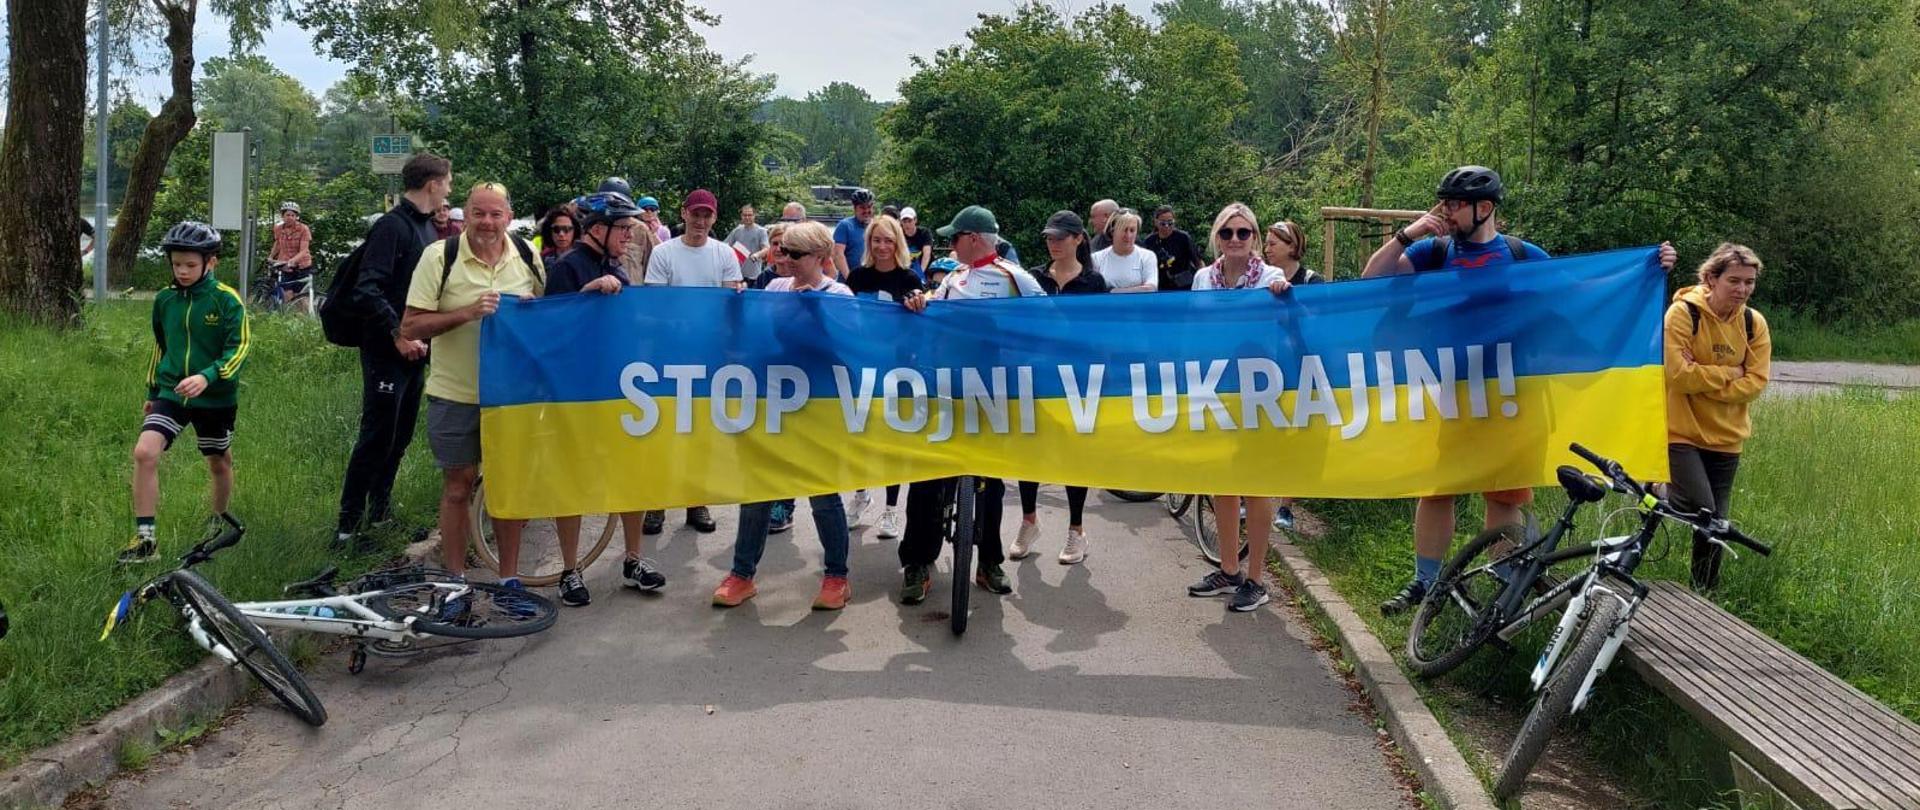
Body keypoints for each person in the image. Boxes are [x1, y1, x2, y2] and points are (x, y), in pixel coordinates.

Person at [1364, 165, 1677, 615]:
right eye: (1444, 203)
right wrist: (1406, 235)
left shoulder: (1522, 254)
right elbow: (1371, 282)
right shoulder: (1433, 251)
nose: (1445, 211)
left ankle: (1501, 588)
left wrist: (1648, 269)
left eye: (1454, 204)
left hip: (1516, 396)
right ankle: (1424, 583)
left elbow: (1584, 295)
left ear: (1484, 208)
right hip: (1456, 393)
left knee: (1505, 495)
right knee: (1436, 490)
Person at [895, 205, 1047, 604]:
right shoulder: (954, 277)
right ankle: (917, 562)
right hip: (947, 391)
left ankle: (989, 563)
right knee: (926, 476)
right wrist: (917, 301)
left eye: (956, 238)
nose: (951, 245)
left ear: (974, 238)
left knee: (991, 483)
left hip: (992, 396)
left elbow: (1051, 321)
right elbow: (930, 307)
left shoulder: (1016, 277)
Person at [400, 182, 545, 596]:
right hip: (455, 393)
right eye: (479, 213)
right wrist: (467, 313)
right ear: (466, 214)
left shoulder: (527, 255)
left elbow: (546, 320)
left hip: (511, 396)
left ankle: (510, 579)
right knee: (458, 487)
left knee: (506, 487)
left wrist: (531, 314)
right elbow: (411, 325)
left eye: (496, 214)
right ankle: (455, 582)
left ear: (509, 217)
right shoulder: (439, 256)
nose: (487, 222)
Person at [713, 222, 856, 610]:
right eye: (782, 250)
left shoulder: (838, 294)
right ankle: (742, 575)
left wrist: (817, 312)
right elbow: (753, 334)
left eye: (795, 253)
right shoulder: (775, 288)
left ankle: (836, 577)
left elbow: (849, 348)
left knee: (823, 495)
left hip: (818, 409)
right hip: (775, 404)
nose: (785, 258)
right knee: (758, 490)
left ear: (820, 257)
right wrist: (736, 303)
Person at [542, 190, 666, 604]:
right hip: (577, 392)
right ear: (597, 229)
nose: (630, 236)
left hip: (617, 386)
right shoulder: (567, 267)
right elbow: (551, 329)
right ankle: (569, 569)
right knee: (573, 479)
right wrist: (587, 293)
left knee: (631, 474)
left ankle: (633, 559)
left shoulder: (616, 267)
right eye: (623, 228)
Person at [1183, 203, 1294, 612]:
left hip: (1258, 389)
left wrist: (1282, 296)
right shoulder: (1203, 279)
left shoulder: (1270, 277)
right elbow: (1194, 328)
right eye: (1227, 232)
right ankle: (1229, 569)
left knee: (1255, 481)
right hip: (1217, 386)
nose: (1234, 239)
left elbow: (1286, 315)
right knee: (1221, 478)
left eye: (1243, 232)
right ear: (1217, 237)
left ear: (1255, 238)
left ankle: (1257, 579)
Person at [335, 152, 450, 546]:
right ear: (433, 184)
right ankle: (347, 527)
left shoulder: (426, 228)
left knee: (399, 437)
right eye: (448, 182)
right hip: (386, 350)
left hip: (417, 351)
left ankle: (380, 514)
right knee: (376, 436)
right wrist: (398, 334)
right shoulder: (392, 226)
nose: (449, 190)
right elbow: (367, 287)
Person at [119, 222, 251, 563]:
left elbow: (239, 347)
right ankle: (146, 541)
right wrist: (153, 391)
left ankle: (218, 520)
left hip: (215, 397)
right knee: (145, 452)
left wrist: (208, 376)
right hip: (172, 393)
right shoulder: (165, 300)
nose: (182, 271)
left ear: (211, 262)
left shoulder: (226, 300)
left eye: (190, 264)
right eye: (176, 264)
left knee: (218, 460)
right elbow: (161, 347)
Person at [1664, 243, 1769, 591]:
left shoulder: (1754, 324)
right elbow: (1678, 376)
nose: (1742, 290)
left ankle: (1704, 591)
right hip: (1682, 431)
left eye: (1749, 282)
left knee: (1715, 524)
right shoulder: (1683, 314)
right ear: (1711, 278)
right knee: (1702, 507)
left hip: (1728, 437)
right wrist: (1729, 373)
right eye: (1734, 281)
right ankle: (1657, 488)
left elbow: (1755, 382)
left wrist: (1703, 379)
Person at [641, 188, 742, 535]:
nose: (700, 220)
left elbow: (729, 303)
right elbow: (656, 304)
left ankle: (696, 499)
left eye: (706, 215)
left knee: (701, 432)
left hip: (708, 355)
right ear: (684, 213)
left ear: (714, 218)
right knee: (662, 430)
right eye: (695, 213)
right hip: (668, 354)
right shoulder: (663, 252)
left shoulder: (724, 253)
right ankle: (656, 502)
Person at [1011, 211, 1109, 566]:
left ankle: (1076, 530)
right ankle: (1028, 521)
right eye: (1049, 237)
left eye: (1060, 237)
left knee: (1073, 453)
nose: (1053, 243)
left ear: (1078, 239)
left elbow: (1104, 331)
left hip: (1077, 378)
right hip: (1037, 375)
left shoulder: (1094, 282)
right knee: (1030, 449)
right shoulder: (1034, 278)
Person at [843, 214, 923, 538]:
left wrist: (919, 303)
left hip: (897, 369)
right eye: (876, 240)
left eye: (888, 240)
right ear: (869, 243)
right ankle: (861, 493)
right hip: (862, 365)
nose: (882, 246)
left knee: (892, 439)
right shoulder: (857, 277)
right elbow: (842, 314)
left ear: (897, 243)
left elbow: (922, 317)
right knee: (860, 434)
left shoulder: (909, 278)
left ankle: (891, 509)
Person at [1262, 219, 1322, 531]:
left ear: (1292, 246)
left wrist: (1291, 300)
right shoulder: (1259, 277)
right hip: (1265, 365)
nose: (1266, 249)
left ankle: (1286, 506)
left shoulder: (1311, 280)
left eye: (1273, 243)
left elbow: (1321, 321)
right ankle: (1251, 496)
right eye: (1266, 243)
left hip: (1301, 366)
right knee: (1262, 432)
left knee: (1298, 435)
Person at [1090, 210, 1158, 293]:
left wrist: (1112, 291)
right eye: (1124, 230)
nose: (1128, 235)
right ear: (1112, 231)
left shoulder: (1147, 256)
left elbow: (1151, 288)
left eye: (1132, 230)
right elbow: (1094, 290)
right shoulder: (1096, 258)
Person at [1141, 204, 1203, 291]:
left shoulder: (1183, 238)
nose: (1166, 226)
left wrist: (1202, 282)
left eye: (1170, 223)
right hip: (1160, 287)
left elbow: (1198, 262)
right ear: (1156, 222)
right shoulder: (1149, 241)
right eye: (1163, 223)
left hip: (1184, 286)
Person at [267, 202, 314, 303]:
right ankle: (290, 311)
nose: (290, 217)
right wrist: (271, 256)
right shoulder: (278, 228)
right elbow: (277, 243)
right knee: (287, 293)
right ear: (283, 216)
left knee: (300, 295)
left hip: (302, 265)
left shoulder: (303, 229)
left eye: (293, 215)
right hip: (285, 265)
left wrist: (292, 261)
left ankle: (304, 313)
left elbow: (304, 250)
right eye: (287, 215)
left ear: (297, 217)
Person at [832, 189, 875, 279]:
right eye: (862, 207)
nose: (867, 210)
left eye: (869, 207)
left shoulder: (876, 226)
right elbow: (838, 255)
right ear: (854, 208)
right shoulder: (845, 225)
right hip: (849, 279)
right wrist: (850, 280)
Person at [725, 204, 770, 282]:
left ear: (754, 216)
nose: (747, 217)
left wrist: (757, 255)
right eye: (744, 215)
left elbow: (766, 248)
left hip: (754, 276)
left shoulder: (761, 231)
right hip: (738, 275)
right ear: (741, 216)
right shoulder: (737, 230)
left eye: (749, 215)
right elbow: (725, 245)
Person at [900, 207, 933, 278]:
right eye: (904, 222)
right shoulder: (899, 234)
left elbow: (926, 255)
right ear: (901, 222)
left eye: (909, 221)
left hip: (925, 270)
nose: (907, 224)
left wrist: (920, 273)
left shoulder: (924, 233)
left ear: (915, 220)